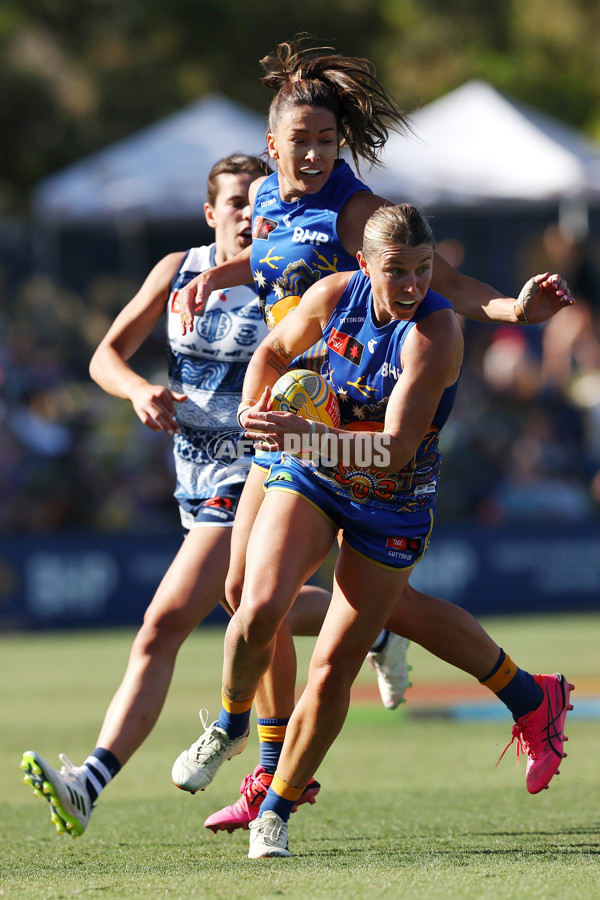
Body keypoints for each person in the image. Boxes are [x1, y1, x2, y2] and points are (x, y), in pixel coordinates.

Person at [171, 36, 574, 834]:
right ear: (270, 148)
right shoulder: (271, 206)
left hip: (362, 437)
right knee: (247, 603)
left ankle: (268, 770)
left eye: (329, 141)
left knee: (282, 607)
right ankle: (515, 692)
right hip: (305, 423)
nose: (318, 153)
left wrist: (512, 311)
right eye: (304, 142)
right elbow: (273, 273)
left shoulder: (357, 213)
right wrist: (217, 277)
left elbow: (443, 286)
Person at [19, 153, 331, 837]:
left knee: (163, 622)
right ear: (210, 212)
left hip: (261, 471)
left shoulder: (288, 274)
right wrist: (139, 391)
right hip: (193, 477)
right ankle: (376, 622)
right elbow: (106, 354)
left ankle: (90, 782)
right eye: (237, 202)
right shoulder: (176, 268)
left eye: (260, 201)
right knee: (253, 607)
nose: (251, 213)